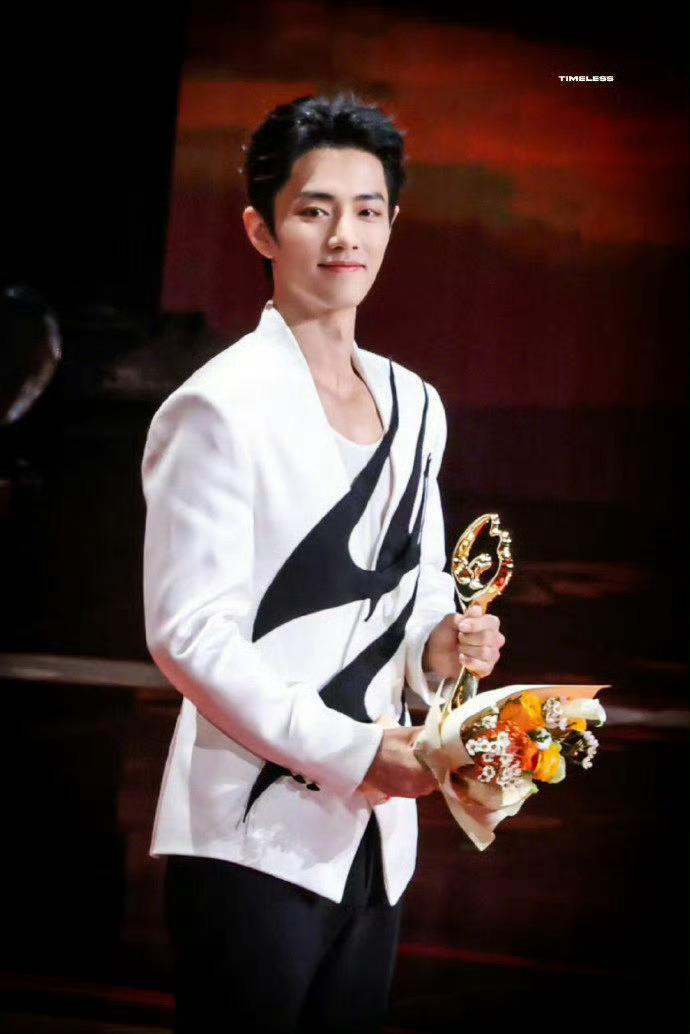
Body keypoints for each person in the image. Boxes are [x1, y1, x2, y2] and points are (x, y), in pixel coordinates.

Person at [142, 92, 505, 1034]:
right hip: (249, 835)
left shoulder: (415, 403)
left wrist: (440, 649)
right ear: (261, 229)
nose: (346, 235)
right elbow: (189, 635)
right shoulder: (218, 406)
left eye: (368, 209)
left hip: (377, 844)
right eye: (315, 210)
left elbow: (418, 591)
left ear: (392, 222)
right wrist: (356, 752)